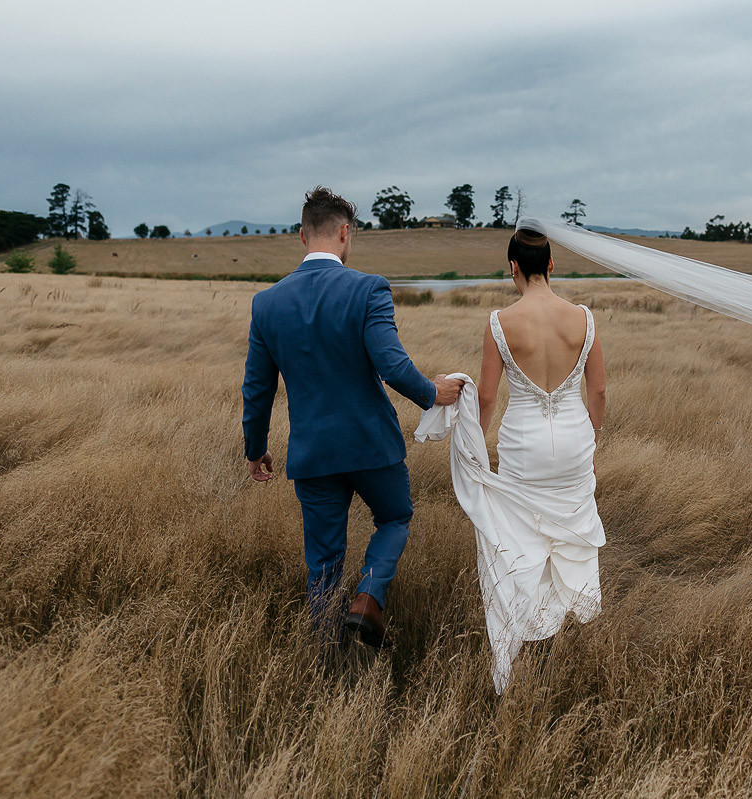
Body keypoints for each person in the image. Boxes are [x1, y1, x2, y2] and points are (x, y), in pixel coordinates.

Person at [242, 186, 463, 647]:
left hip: (312, 452)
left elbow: (258, 387)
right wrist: (433, 393)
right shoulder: (368, 288)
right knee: (396, 518)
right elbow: (392, 365)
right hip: (371, 444)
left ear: (302, 235)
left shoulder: (267, 303)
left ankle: (326, 655)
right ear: (345, 232)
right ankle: (367, 599)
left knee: (322, 560)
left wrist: (255, 448)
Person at [414, 223, 607, 692]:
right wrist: (591, 437)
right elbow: (597, 389)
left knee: (525, 537)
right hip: (575, 439)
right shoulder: (584, 318)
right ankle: (560, 625)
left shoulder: (501, 322)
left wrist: (477, 448)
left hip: (524, 446)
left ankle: (531, 634)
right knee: (568, 535)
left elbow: (485, 398)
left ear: (514, 267)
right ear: (552, 266)